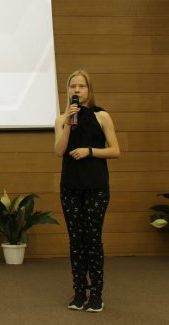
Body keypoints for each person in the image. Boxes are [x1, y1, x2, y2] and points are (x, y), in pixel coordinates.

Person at [54, 70, 120, 313]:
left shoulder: (102, 116)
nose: (77, 90)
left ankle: (97, 294)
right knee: (76, 241)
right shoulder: (62, 119)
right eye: (73, 86)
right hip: (70, 186)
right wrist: (69, 124)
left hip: (96, 187)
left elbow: (115, 150)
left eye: (82, 86)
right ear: (68, 90)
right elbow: (59, 151)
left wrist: (89, 151)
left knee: (92, 239)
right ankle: (79, 291)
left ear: (89, 90)